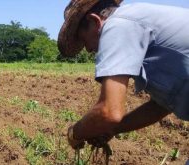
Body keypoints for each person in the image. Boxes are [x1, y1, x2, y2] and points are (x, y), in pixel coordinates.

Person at [58, 0, 189, 150]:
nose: (88, 49)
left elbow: (109, 111)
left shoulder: (117, 25)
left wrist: (75, 133)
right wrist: (111, 129)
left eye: (84, 39)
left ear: (94, 20)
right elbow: (161, 106)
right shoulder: (135, 20)